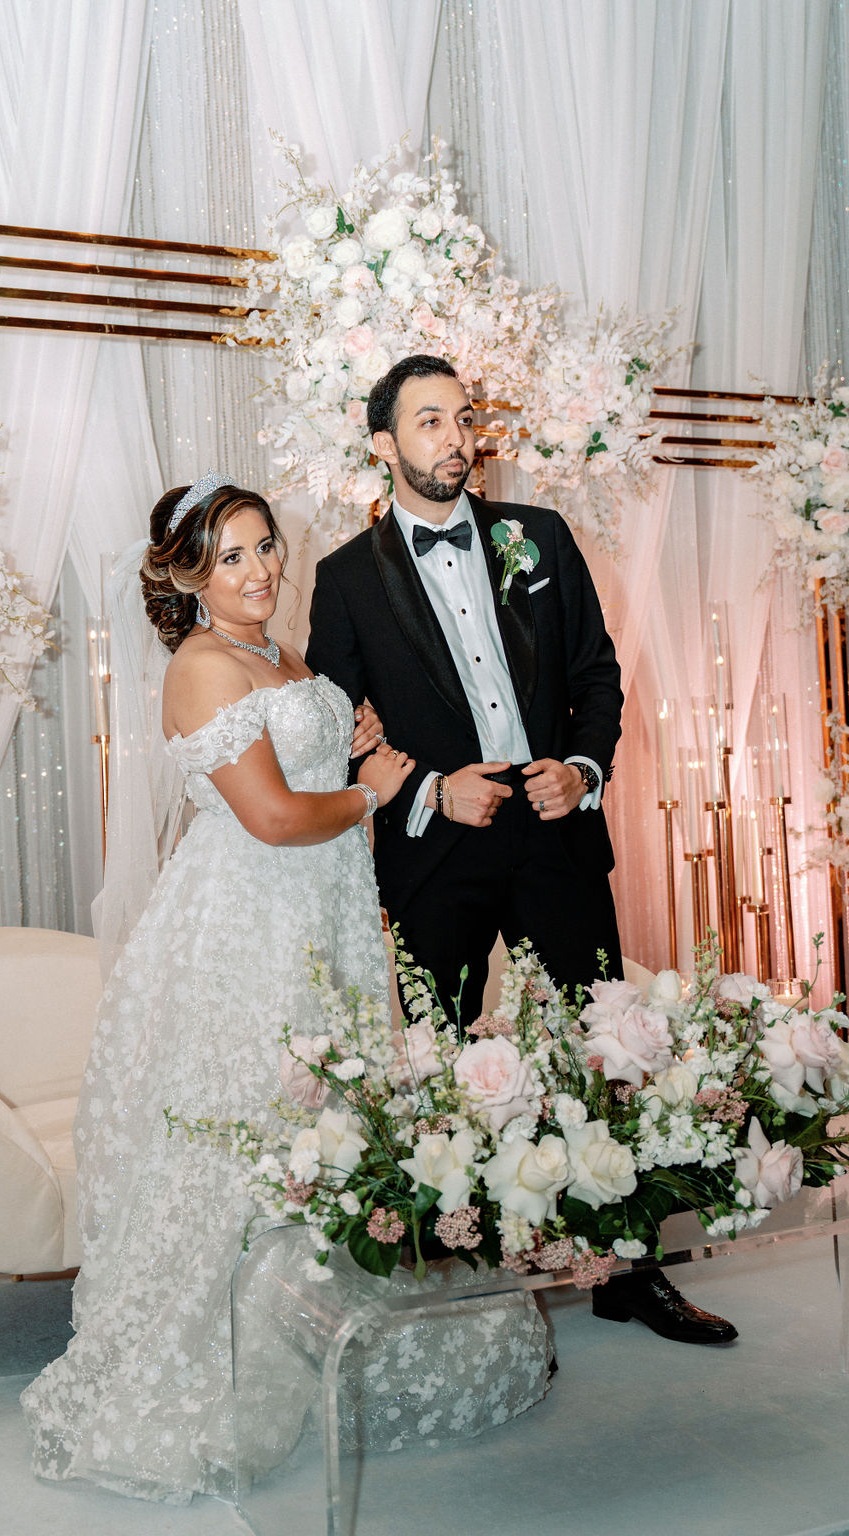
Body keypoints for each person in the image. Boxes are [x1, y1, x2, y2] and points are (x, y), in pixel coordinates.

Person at [20, 474, 550, 1505]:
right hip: (246, 925)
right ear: (185, 576)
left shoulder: (274, 651)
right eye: (231, 557)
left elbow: (302, 767)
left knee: (331, 1139)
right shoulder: (201, 665)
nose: (259, 570)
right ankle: (214, 1375)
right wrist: (371, 791)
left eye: (265, 547)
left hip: (322, 913)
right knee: (252, 1133)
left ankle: (333, 1346)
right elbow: (267, 817)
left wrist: (350, 752)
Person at [305, 355, 737, 1347]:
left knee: (602, 1046)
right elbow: (336, 732)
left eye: (462, 419)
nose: (454, 438)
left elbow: (595, 671)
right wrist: (426, 792)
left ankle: (631, 1269)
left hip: (551, 826)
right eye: (427, 422)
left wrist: (580, 770)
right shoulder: (341, 580)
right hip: (436, 849)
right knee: (443, 1067)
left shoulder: (535, 537)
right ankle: (465, 1287)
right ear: (384, 446)